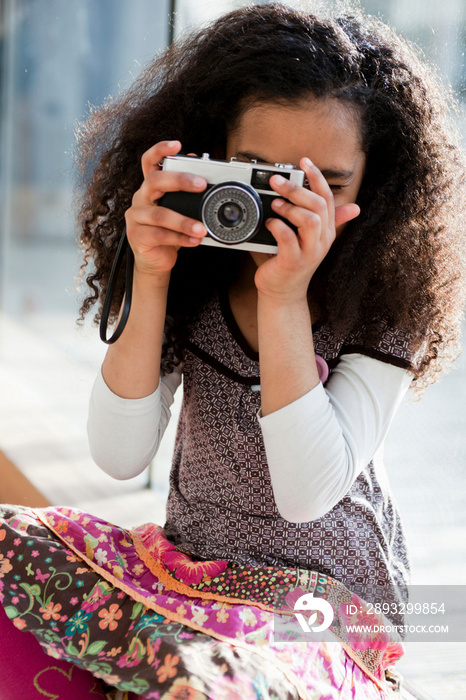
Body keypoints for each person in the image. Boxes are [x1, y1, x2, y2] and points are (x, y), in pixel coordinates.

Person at [1, 3, 465, 699]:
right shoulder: (192, 270)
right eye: (256, 172)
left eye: (323, 185)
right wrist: (149, 275)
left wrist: (284, 299)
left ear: (380, 184)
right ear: (209, 152)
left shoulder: (385, 302)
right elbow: (119, 458)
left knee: (209, 681)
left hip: (326, 600)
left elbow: (307, 493)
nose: (284, 206)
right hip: (194, 570)